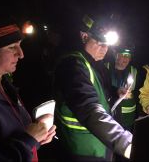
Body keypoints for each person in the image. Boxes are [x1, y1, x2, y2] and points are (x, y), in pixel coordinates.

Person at [53, 14, 132, 161]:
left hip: (100, 144)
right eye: (100, 43)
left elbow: (99, 89)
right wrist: (126, 143)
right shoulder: (72, 65)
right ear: (84, 37)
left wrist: (115, 92)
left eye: (107, 44)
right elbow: (88, 107)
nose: (104, 48)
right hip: (83, 150)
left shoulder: (95, 63)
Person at [0, 18, 56, 162]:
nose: (21, 54)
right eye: (12, 47)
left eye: (19, 45)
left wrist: (39, 133)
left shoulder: (7, 86)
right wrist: (28, 140)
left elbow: (20, 135)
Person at [106, 45, 145, 132]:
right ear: (115, 54)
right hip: (109, 117)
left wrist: (140, 114)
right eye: (121, 54)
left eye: (127, 55)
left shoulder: (135, 71)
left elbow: (140, 94)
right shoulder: (105, 68)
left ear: (130, 58)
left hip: (128, 119)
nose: (123, 58)